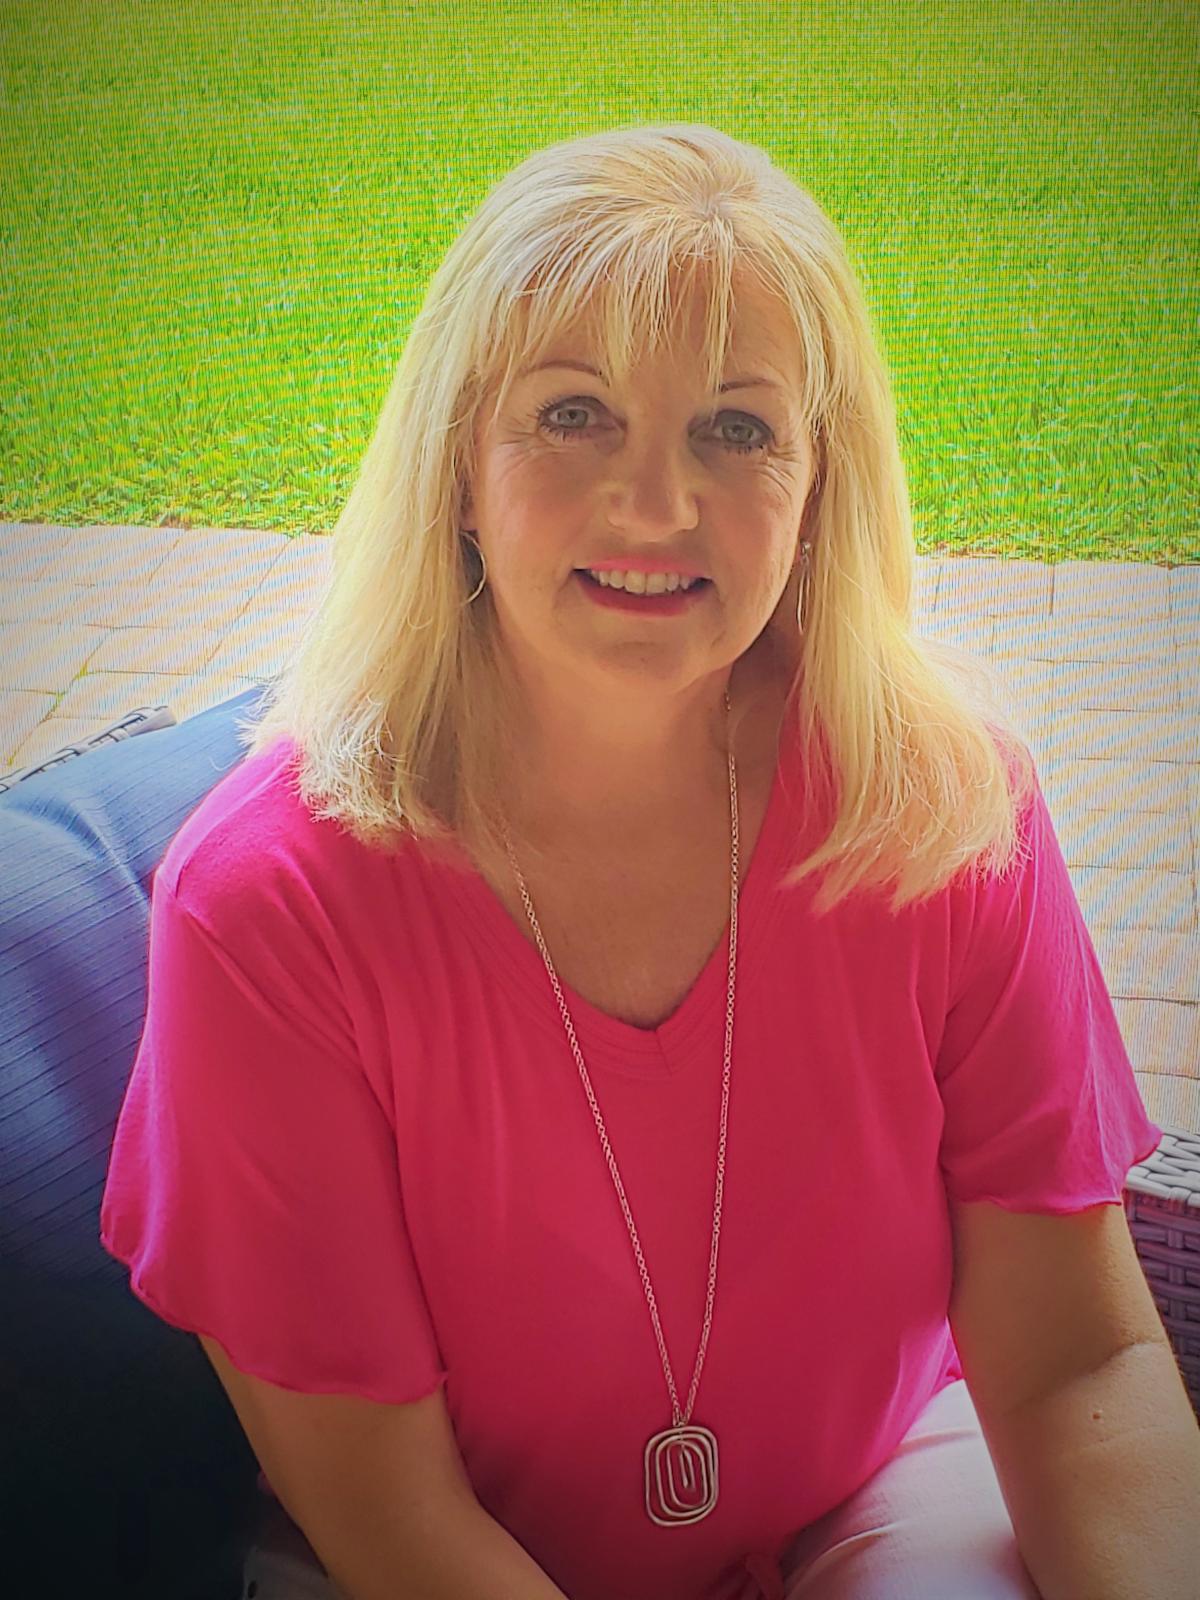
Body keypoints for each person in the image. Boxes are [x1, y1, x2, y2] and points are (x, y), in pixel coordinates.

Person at [99, 122, 1166, 1600]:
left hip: (873, 1485)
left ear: (820, 481)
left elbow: (1075, 1366)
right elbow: (395, 1520)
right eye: (574, 414)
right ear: (458, 465)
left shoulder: (945, 806)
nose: (657, 505)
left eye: (737, 428)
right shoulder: (268, 905)